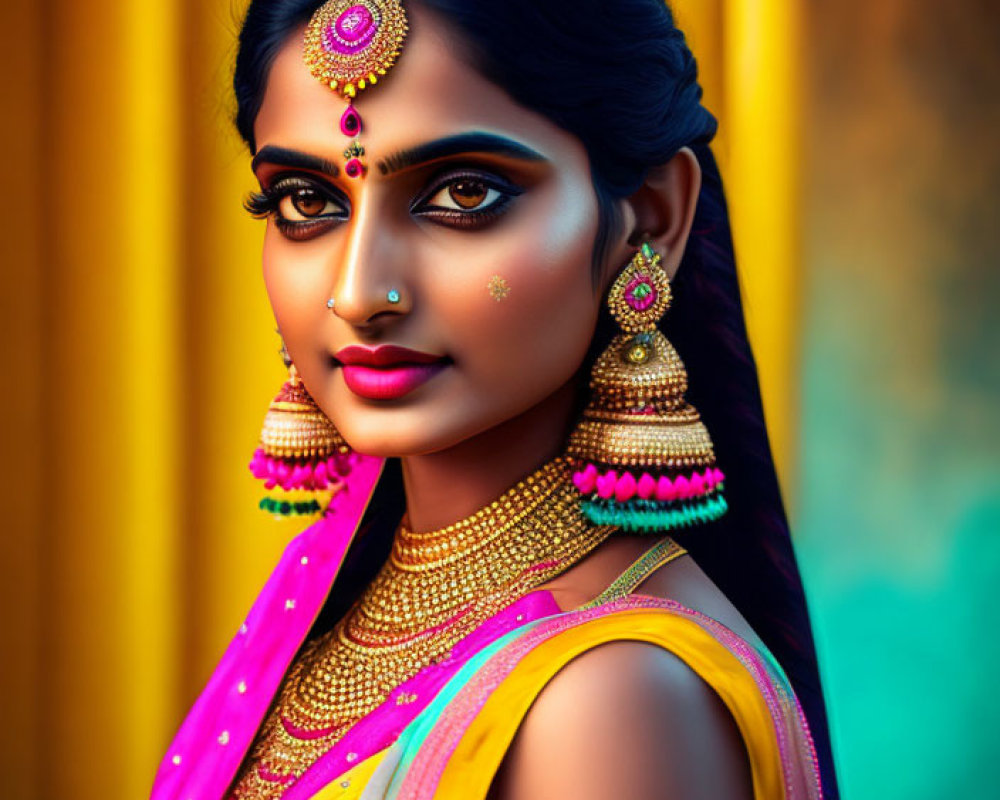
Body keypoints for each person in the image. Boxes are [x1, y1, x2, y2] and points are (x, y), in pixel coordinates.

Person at [153, 0, 838, 797]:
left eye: (465, 195)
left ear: (649, 219)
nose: (358, 292)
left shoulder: (613, 699)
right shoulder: (345, 595)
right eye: (309, 202)